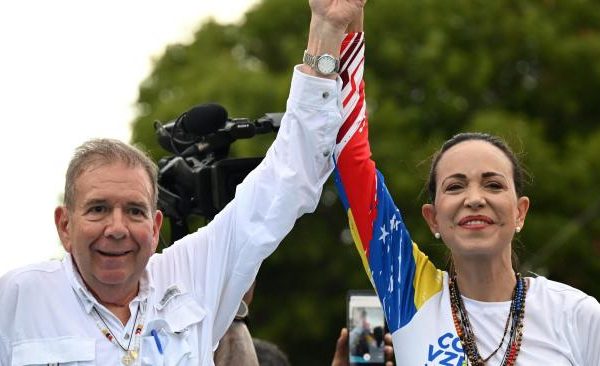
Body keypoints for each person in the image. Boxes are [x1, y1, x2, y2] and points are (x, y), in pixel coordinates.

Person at [0, 1, 366, 364]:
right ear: (65, 225)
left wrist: (326, 28)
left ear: (156, 225)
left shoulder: (191, 276)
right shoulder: (17, 297)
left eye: (134, 211)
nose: (116, 228)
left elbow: (287, 179)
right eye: (98, 209)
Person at [332, 4, 600, 366]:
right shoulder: (409, 292)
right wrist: (340, 26)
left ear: (520, 211)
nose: (474, 199)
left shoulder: (578, 315)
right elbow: (350, 162)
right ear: (433, 219)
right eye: (455, 187)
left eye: (492, 185)